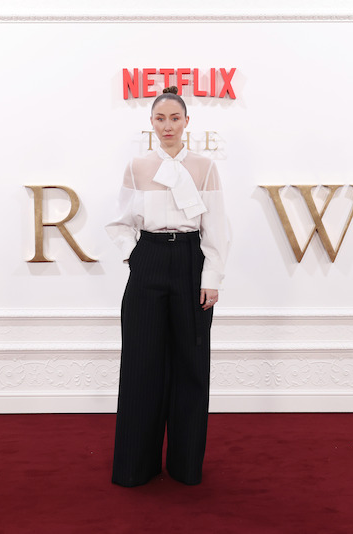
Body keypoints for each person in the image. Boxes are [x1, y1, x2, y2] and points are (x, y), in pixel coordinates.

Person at [106, 86, 230, 487]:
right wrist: (135, 256)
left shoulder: (205, 167)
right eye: (160, 119)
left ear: (187, 122)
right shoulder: (137, 167)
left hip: (192, 262)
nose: (168, 126)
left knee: (191, 364)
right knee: (140, 364)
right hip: (149, 260)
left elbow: (217, 227)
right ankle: (135, 467)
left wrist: (211, 278)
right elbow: (120, 223)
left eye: (175, 118)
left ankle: (185, 465)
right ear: (151, 123)